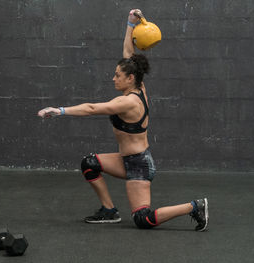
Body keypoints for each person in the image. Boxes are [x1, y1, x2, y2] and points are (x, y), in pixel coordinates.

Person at [38, 9, 209, 231]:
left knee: (143, 220)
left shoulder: (128, 103)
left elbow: (91, 109)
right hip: (126, 159)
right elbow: (129, 53)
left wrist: (59, 110)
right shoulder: (138, 84)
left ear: (129, 78)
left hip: (139, 165)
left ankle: (195, 206)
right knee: (90, 163)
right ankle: (109, 211)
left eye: (117, 75)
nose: (113, 78)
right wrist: (130, 24)